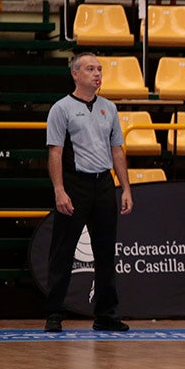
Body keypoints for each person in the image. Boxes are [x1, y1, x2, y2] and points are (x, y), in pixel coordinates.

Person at [44, 52, 134, 333]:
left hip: (104, 184)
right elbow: (55, 152)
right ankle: (54, 313)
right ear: (75, 74)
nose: (97, 74)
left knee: (106, 251)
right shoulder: (62, 109)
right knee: (63, 250)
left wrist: (126, 187)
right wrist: (59, 190)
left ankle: (106, 314)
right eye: (90, 69)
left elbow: (117, 149)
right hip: (75, 184)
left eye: (99, 69)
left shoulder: (109, 107)